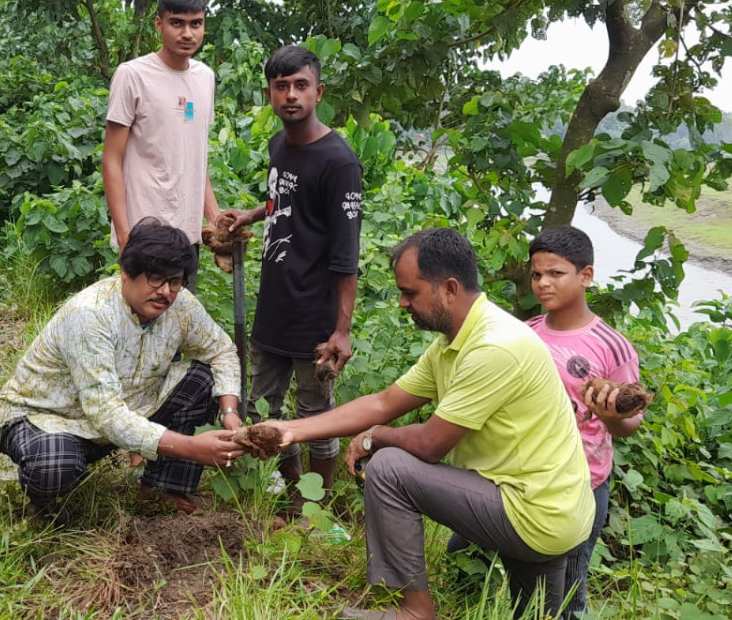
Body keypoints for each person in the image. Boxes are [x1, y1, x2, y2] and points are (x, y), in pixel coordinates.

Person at [253, 228, 594, 620]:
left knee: (389, 468)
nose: (402, 303)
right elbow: (384, 402)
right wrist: (292, 430)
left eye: (410, 292)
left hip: (534, 513)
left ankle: (414, 613)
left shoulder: (495, 348)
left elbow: (431, 443)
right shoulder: (457, 340)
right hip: (548, 508)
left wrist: (374, 439)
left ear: (449, 288)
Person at [0, 219, 246, 516]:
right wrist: (191, 447)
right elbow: (106, 413)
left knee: (203, 378)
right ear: (125, 272)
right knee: (54, 466)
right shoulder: (91, 315)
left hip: (122, 412)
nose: (166, 292)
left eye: (175, 281)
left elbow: (221, 350)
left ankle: (163, 490)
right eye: (155, 278)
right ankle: (48, 510)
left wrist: (230, 413)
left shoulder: (181, 305)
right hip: (44, 417)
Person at [216, 46, 363, 508]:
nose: (291, 95)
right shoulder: (279, 145)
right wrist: (253, 214)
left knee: (316, 416)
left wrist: (341, 330)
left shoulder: (340, 162)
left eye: (301, 86)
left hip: (315, 319)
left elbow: (346, 254)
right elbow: (287, 201)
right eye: (282, 87)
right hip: (274, 307)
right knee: (262, 407)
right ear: (270, 94)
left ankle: (314, 508)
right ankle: (287, 494)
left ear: (318, 92)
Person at [525, 226, 649, 619]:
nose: (543, 283)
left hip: (584, 480)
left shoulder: (611, 344)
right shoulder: (525, 334)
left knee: (569, 592)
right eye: (536, 274)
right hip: (527, 472)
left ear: (586, 276)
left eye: (556, 273)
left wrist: (614, 418)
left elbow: (633, 421)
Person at [101, 0, 221, 288]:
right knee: (141, 324)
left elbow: (196, 157)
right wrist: (125, 235)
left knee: (179, 325)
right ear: (159, 24)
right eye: (177, 23)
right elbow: (112, 160)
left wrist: (215, 219)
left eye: (196, 24)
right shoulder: (133, 75)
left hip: (188, 236)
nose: (187, 33)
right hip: (146, 235)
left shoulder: (205, 78)